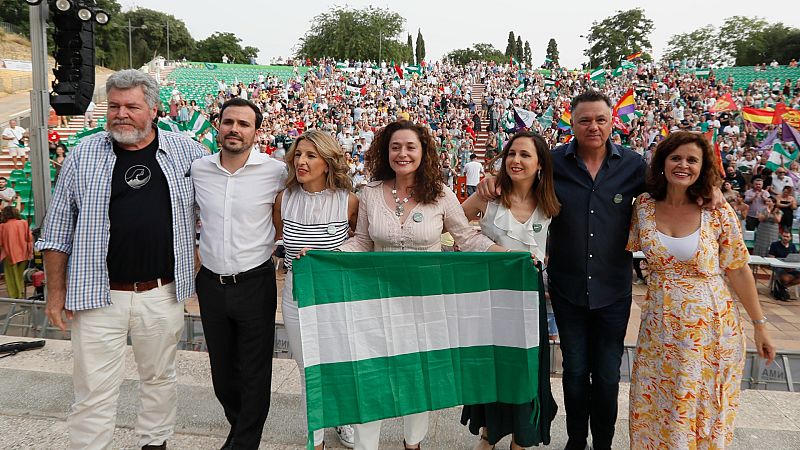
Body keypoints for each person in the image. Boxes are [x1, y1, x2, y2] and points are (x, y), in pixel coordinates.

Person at [37, 69, 207, 450]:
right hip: (97, 295)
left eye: (132, 106)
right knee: (93, 388)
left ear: (154, 109)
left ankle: (155, 442)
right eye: (114, 106)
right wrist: (54, 293)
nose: (121, 114)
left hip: (161, 293)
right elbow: (58, 229)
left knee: (160, 378)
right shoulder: (83, 155)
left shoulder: (187, 151)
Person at [335, 120, 508, 450]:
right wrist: (322, 257)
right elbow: (360, 243)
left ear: (423, 152)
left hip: (426, 304)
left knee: (417, 376)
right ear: (385, 153)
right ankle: (365, 445)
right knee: (373, 376)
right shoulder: (369, 193)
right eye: (395, 147)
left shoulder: (441, 195)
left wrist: (508, 256)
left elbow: (467, 238)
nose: (402, 153)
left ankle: (412, 444)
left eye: (410, 147)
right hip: (378, 300)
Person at [626, 131, 775, 448]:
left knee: (702, 408)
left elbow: (738, 269)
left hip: (710, 332)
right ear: (662, 163)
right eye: (675, 158)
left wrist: (760, 326)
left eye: (692, 160)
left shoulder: (717, 211)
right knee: (657, 407)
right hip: (659, 331)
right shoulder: (643, 207)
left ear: (703, 166)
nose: (683, 165)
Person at [192, 97, 286, 450]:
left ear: (256, 132)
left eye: (244, 124)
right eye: (228, 122)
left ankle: (243, 443)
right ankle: (240, 431)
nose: (235, 129)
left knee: (255, 371)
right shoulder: (198, 168)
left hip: (255, 282)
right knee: (222, 375)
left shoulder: (276, 171)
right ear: (218, 125)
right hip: (211, 284)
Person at [459, 131, 560, 450]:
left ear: (541, 163)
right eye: (512, 153)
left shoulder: (552, 204)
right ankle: (489, 432)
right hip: (489, 301)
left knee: (527, 371)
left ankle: (521, 436)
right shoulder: (489, 195)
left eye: (525, 155)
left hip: (531, 305)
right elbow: (456, 225)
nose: (516, 160)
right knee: (492, 369)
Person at [272, 130, 359, 450]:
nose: (302, 162)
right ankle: (316, 434)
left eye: (311, 156)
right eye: (298, 155)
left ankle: (345, 417)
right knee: (307, 366)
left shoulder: (348, 201)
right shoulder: (284, 198)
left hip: (335, 293)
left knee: (339, 359)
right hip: (296, 291)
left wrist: (330, 259)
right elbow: (279, 239)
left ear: (328, 162)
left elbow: (360, 243)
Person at [0, 205, 32, 298]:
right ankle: (21, 293)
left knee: (10, 276)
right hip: (23, 252)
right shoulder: (23, 223)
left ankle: (15, 296)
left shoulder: (2, 226)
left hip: (8, 254)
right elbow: (29, 238)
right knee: (20, 274)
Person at [768, 230, 800, 301]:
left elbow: (795, 258)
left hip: (791, 268)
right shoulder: (774, 245)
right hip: (779, 267)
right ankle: (782, 287)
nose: (785, 238)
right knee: (785, 278)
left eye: (787, 237)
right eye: (784, 236)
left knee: (793, 276)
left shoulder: (792, 246)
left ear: (790, 238)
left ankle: (782, 287)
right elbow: (771, 258)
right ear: (781, 236)